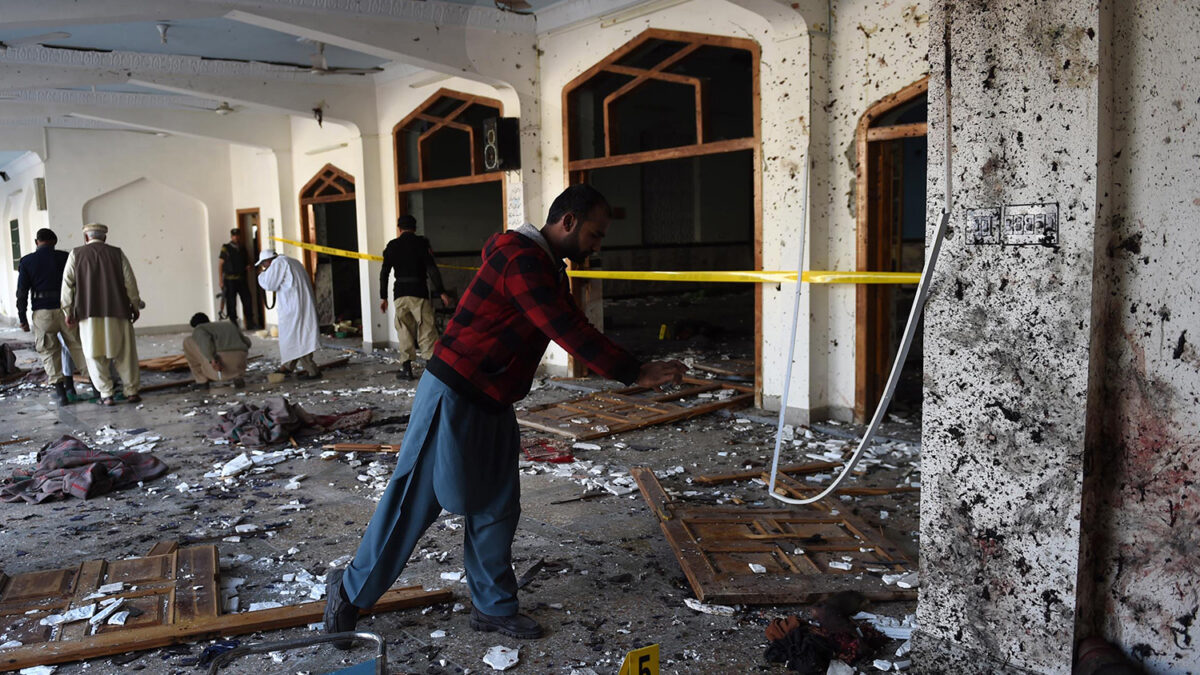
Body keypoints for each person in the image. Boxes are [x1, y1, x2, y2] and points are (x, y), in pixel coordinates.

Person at [324, 185, 687, 644]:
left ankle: (492, 607)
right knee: (414, 502)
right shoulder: (521, 260)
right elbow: (565, 327)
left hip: (494, 397)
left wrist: (630, 367)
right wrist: (634, 371)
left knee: (497, 507)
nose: (598, 244)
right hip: (453, 391)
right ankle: (350, 591)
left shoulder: (549, 267)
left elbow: (568, 319)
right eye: (595, 233)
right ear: (568, 222)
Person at [60, 223, 142, 406]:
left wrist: (68, 310)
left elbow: (67, 285)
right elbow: (130, 282)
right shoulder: (117, 253)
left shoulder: (76, 254)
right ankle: (131, 392)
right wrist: (134, 305)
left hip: (88, 314)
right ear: (104, 237)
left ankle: (106, 395)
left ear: (86, 237)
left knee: (94, 355)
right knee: (125, 354)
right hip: (118, 311)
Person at [16, 228, 91, 406]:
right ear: (55, 242)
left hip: (43, 314)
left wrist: (22, 318)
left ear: (36, 242)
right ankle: (97, 388)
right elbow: (77, 285)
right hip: (66, 310)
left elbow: (22, 293)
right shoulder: (65, 257)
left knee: (49, 352)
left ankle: (61, 394)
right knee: (78, 347)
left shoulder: (27, 261)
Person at [379, 215, 455, 380]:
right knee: (426, 329)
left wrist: (383, 297)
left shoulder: (392, 246)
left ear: (399, 229)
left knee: (404, 330)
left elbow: (384, 272)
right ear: (415, 228)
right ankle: (430, 368)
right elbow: (432, 269)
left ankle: (406, 369)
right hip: (419, 292)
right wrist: (441, 291)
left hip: (400, 294)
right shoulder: (422, 244)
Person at [255, 249, 321, 380]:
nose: (264, 268)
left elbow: (269, 284)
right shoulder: (292, 261)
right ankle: (286, 367)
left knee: (298, 339)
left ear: (267, 262)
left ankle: (312, 371)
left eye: (263, 265)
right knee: (294, 338)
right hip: (300, 306)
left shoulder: (278, 264)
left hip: (293, 308)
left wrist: (262, 275)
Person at [183, 312, 251, 389]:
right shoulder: (229, 324)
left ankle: (201, 381)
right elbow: (247, 342)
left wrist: (212, 360)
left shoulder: (200, 328)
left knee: (188, 341)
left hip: (220, 367)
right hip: (239, 365)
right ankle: (238, 377)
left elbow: (206, 344)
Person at [218, 228, 253, 329]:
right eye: (234, 236)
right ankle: (233, 323)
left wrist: (247, 266)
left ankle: (249, 322)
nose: (236, 237)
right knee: (231, 302)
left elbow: (247, 262)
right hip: (229, 280)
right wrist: (220, 280)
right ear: (231, 236)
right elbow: (220, 264)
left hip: (241, 278)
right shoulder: (226, 248)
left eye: (237, 235)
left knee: (247, 300)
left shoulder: (242, 248)